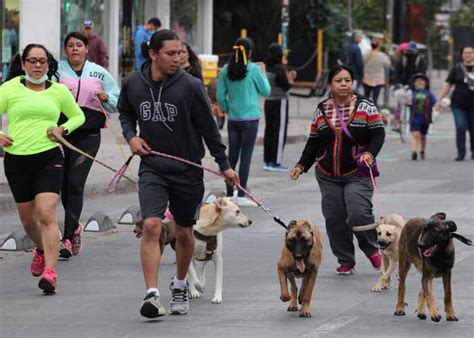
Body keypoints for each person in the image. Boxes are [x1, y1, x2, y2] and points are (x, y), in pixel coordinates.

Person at [118, 29, 239, 318]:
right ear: (152, 54)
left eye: (180, 52)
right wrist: (131, 137)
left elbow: (210, 130)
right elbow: (124, 112)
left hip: (187, 170)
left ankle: (180, 283)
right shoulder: (133, 83)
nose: (178, 58)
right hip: (152, 167)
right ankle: (152, 294)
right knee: (151, 225)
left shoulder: (191, 86)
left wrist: (224, 166)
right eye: (171, 54)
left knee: (184, 232)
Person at [0, 44, 85, 293]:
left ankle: (50, 272)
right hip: (16, 160)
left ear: (49, 64)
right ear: (23, 63)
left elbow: (77, 116)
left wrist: (62, 129)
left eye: (42, 61)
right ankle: (40, 248)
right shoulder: (10, 88)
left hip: (49, 157)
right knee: (28, 220)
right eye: (33, 61)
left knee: (46, 213)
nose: (38, 66)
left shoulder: (58, 91)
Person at [290, 65, 385, 275]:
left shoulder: (366, 106)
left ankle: (372, 251)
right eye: (339, 80)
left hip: (358, 172)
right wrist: (301, 165)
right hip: (327, 174)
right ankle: (345, 259)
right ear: (330, 85)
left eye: (347, 80)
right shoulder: (322, 109)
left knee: (358, 213)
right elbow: (313, 142)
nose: (344, 84)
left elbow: (378, 134)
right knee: (334, 217)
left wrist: (370, 153)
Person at [56, 31, 120, 258]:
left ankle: (67, 236)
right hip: (62, 134)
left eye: (79, 45)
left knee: (75, 183)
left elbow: (116, 101)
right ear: (66, 50)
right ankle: (74, 228)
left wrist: (107, 98)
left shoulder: (99, 72)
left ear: (86, 49)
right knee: (63, 184)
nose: (75, 49)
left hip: (89, 135)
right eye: (70, 45)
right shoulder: (56, 71)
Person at [217, 37, 271, 207]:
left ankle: (229, 194)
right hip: (251, 118)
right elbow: (266, 91)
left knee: (231, 156)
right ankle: (241, 194)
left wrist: (227, 108)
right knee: (245, 156)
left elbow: (220, 95)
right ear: (250, 52)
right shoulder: (253, 69)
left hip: (233, 118)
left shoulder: (226, 69)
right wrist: (263, 73)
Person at [434, 45, 474, 161]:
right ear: (462, 55)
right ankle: (461, 153)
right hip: (458, 104)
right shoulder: (457, 68)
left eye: (470, 52)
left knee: (473, 128)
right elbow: (447, 85)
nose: (467, 55)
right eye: (465, 53)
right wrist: (439, 100)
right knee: (461, 126)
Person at [263, 42, 296, 172]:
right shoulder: (279, 68)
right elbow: (286, 86)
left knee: (269, 130)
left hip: (268, 101)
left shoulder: (266, 67)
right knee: (280, 131)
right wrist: (291, 79)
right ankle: (276, 162)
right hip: (280, 102)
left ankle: (267, 161)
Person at [407, 73, 436, 160]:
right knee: (416, 134)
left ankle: (422, 150)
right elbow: (406, 102)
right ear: (414, 83)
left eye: (422, 80)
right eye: (417, 81)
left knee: (423, 136)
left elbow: (435, 103)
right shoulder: (411, 93)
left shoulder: (429, 94)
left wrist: (439, 105)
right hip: (415, 118)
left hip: (425, 118)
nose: (419, 82)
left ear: (426, 83)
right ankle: (414, 151)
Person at [362, 34, 390, 106]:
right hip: (378, 79)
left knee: (366, 97)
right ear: (378, 46)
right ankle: (374, 113)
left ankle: (365, 111)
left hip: (367, 78)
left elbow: (362, 62)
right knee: (375, 98)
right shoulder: (382, 56)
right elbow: (388, 64)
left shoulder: (366, 54)